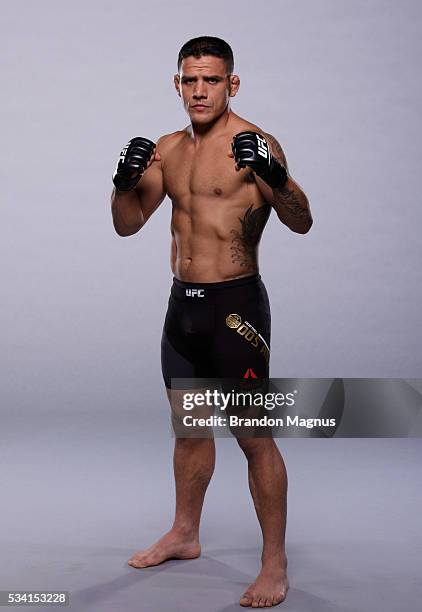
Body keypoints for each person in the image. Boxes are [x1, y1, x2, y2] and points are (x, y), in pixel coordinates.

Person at [110, 36, 312, 608]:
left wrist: (276, 172)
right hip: (183, 309)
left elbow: (301, 221)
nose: (200, 90)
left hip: (236, 310)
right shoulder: (169, 149)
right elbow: (127, 224)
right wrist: (122, 183)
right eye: (190, 80)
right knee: (189, 429)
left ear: (232, 84)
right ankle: (185, 533)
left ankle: (275, 563)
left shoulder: (255, 144)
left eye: (212, 80)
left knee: (254, 436)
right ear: (177, 83)